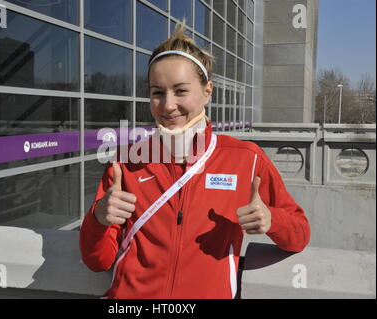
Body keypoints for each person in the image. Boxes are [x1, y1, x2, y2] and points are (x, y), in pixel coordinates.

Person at [79, 24, 310, 299]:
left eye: (180, 91)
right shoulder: (126, 163)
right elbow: (97, 261)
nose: (167, 105)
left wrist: (273, 220)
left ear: (207, 91)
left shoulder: (246, 160)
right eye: (157, 92)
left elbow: (300, 234)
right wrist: (98, 219)